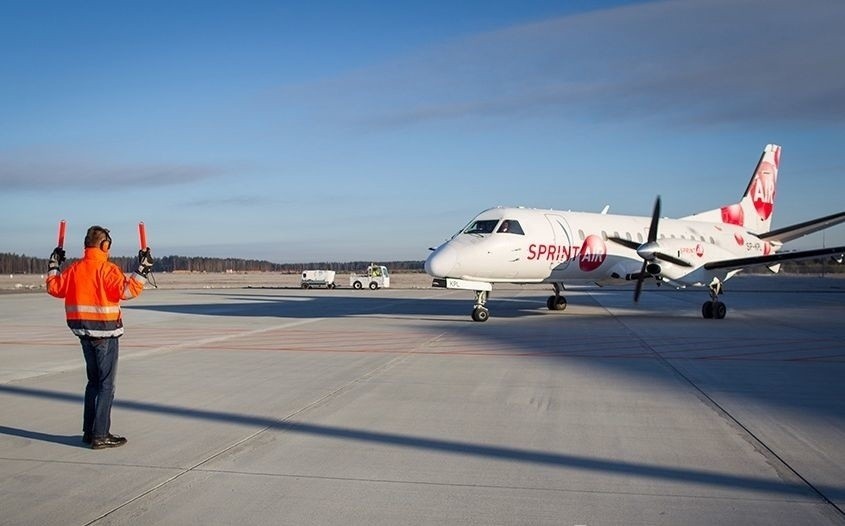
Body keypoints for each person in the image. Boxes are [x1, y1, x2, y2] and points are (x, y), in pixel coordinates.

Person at [46, 226, 154, 449]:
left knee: (93, 383)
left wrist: (54, 265)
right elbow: (127, 291)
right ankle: (100, 434)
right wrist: (142, 269)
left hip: (83, 332)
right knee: (106, 385)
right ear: (104, 246)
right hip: (105, 333)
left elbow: (54, 287)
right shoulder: (108, 270)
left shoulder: (75, 269)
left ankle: (89, 431)